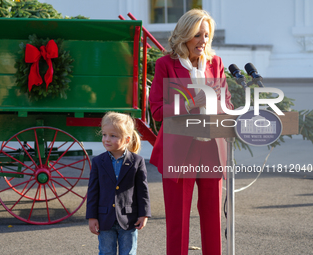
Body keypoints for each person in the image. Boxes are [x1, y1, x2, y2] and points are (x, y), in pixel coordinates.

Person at [149, 9, 234, 255]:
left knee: (213, 219)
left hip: (211, 149)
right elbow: (156, 110)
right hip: (180, 151)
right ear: (184, 35)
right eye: (198, 35)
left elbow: (226, 101)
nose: (203, 41)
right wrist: (189, 103)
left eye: (206, 35)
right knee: (178, 221)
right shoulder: (166, 65)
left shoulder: (215, 63)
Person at [86, 112, 151, 255]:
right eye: (104, 135)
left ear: (127, 139)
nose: (106, 139)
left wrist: (144, 214)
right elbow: (93, 191)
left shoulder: (137, 161)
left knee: (128, 252)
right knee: (106, 252)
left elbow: (142, 190)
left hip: (129, 219)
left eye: (113, 136)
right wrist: (92, 216)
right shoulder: (98, 162)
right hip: (104, 219)